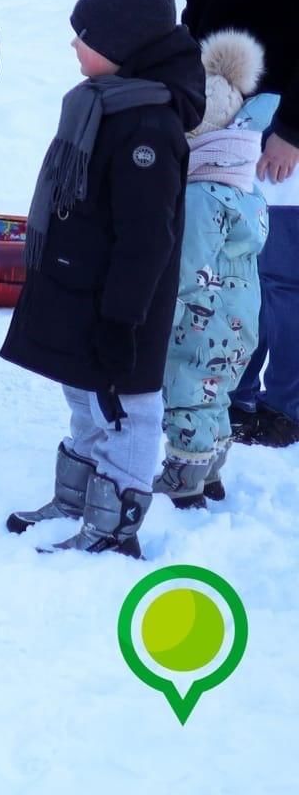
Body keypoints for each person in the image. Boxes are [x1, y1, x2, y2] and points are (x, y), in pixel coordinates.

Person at [2, 0, 203, 557]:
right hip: (82, 286)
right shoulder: (101, 103)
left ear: (122, 46)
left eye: (84, 34)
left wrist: (122, 320)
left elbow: (147, 238)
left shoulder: (149, 124)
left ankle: (115, 524)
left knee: (126, 408)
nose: (73, 43)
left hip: (124, 302)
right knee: (84, 396)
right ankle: (77, 498)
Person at [181, 0, 299, 448]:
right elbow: (200, 8)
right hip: (225, 112)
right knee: (230, 262)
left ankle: (286, 403)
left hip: (281, 125)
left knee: (282, 270)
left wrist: (293, 132)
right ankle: (235, 388)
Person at [156, 32, 274, 509]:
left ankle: (185, 479)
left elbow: (188, 266)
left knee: (188, 391)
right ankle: (212, 471)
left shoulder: (203, 195)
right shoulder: (243, 185)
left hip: (203, 319)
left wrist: (162, 308)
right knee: (216, 394)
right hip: (242, 315)